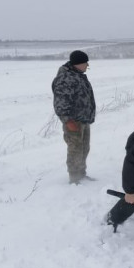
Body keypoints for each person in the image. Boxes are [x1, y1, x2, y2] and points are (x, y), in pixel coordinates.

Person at [51, 50, 96, 184]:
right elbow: (61, 102)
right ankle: (75, 177)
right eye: (85, 63)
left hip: (83, 119)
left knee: (84, 148)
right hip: (73, 121)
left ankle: (81, 173)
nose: (87, 65)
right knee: (75, 149)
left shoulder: (78, 75)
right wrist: (68, 120)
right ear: (77, 63)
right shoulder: (65, 78)